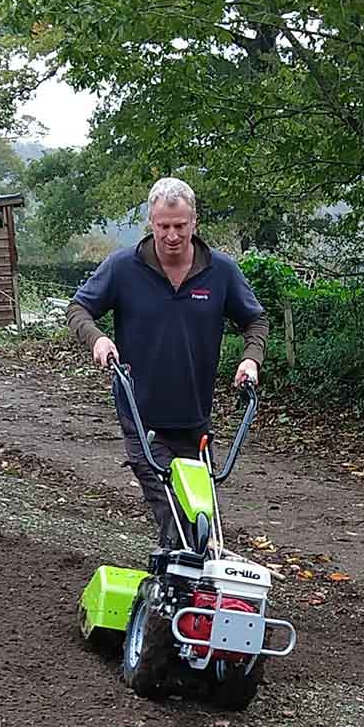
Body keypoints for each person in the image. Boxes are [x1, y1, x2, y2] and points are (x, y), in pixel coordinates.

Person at [67, 176, 269, 547]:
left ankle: (177, 593)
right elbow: (79, 308)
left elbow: (255, 319)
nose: (172, 235)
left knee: (202, 520)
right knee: (176, 520)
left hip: (195, 420)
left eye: (180, 226)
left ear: (194, 222)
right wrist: (98, 339)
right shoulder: (123, 268)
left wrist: (251, 360)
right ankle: (170, 596)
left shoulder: (221, 271)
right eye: (164, 226)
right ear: (151, 222)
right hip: (142, 416)